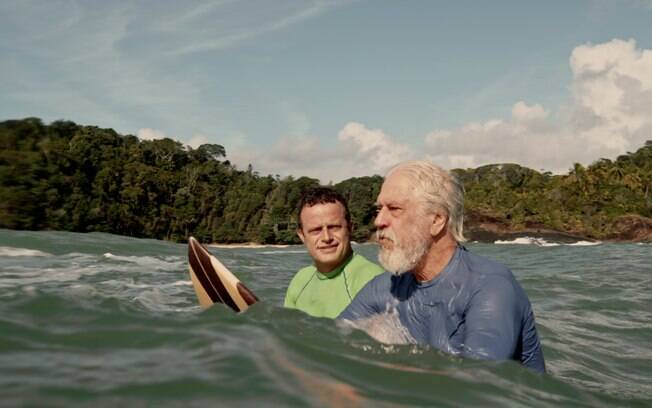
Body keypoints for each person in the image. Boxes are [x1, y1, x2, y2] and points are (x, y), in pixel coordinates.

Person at [338, 161, 546, 372]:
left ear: (436, 220)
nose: (379, 221)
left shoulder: (490, 287)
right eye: (379, 209)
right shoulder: (382, 289)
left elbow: (480, 386)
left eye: (394, 209)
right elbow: (330, 348)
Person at [284, 187, 384, 318]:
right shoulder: (300, 280)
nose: (326, 238)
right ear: (302, 235)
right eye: (316, 230)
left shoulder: (372, 280)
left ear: (349, 228)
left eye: (334, 227)